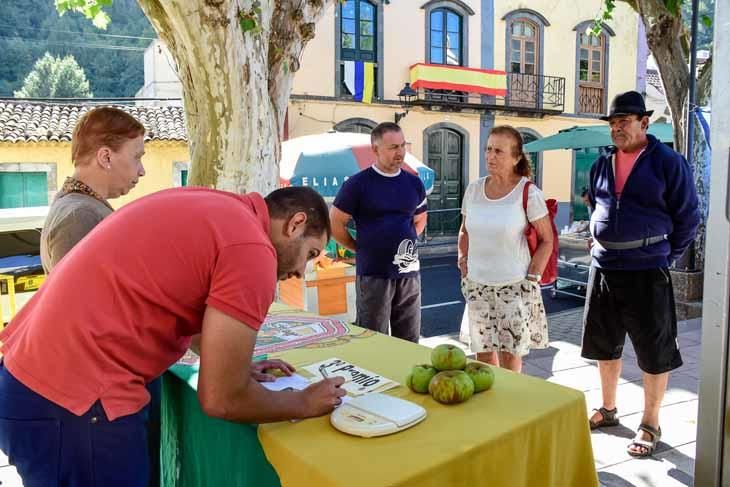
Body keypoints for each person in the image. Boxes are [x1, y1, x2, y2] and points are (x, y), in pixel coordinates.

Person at [0, 186, 346, 487]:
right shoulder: (252, 248)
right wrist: (303, 402)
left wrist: (233, 365)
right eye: (310, 253)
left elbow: (172, 292)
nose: (301, 271)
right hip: (76, 401)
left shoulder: (216, 207)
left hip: (29, 380)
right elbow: (221, 399)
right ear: (295, 223)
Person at [581, 91, 700, 458]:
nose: (617, 129)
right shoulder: (602, 164)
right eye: (613, 124)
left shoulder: (667, 162)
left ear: (644, 123)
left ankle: (650, 422)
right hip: (604, 267)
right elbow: (595, 204)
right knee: (604, 344)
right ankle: (609, 408)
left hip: (647, 269)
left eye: (624, 122)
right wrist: (598, 233)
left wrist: (664, 254)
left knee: (653, 349)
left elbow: (689, 216)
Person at [457, 126, 553, 372]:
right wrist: (463, 260)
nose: (490, 156)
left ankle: (510, 408)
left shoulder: (528, 193)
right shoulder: (474, 189)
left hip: (513, 286)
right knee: (483, 357)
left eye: (499, 151)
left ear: (516, 157)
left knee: (510, 357)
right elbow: (465, 230)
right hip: (478, 286)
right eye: (488, 149)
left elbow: (547, 239)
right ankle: (490, 407)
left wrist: (532, 276)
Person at [329, 122, 427, 343]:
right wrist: (358, 247)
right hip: (373, 274)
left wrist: (407, 244)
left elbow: (420, 219)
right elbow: (335, 223)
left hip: (409, 274)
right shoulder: (357, 184)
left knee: (409, 340)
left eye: (402, 145)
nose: (400, 152)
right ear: (375, 149)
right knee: (373, 337)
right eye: (393, 147)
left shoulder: (414, 183)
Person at [41, 106, 147, 273]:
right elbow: (77, 296)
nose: (142, 171)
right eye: (137, 157)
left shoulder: (78, 207)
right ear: (106, 157)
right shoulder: (80, 216)